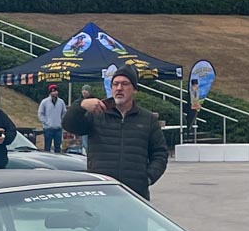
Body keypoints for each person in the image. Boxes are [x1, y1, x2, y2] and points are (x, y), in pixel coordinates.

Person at [60, 67, 169, 198]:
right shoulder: (96, 114)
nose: (119, 88)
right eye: (115, 84)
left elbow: (160, 153)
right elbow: (68, 124)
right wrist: (80, 105)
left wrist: (148, 178)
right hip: (101, 193)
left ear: (134, 89)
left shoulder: (148, 119)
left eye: (125, 84)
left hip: (135, 194)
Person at [36, 84, 65, 152]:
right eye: (53, 91)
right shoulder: (44, 102)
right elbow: (40, 113)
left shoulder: (61, 102)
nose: (55, 93)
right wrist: (46, 122)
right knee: (47, 147)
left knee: (58, 147)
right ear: (50, 92)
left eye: (56, 91)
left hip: (58, 128)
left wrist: (61, 121)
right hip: (48, 128)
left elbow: (64, 112)